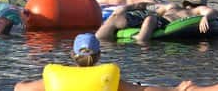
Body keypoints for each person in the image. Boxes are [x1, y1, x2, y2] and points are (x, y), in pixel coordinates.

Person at [14, 33, 174, 91]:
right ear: (99, 55)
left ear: (72, 55)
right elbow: (144, 90)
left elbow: (20, 88)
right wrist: (177, 89)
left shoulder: (55, 77)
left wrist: (25, 82)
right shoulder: (108, 79)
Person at [98, 0, 218, 44]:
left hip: (160, 22)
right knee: (117, 17)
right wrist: (125, 8)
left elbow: (212, 12)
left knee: (150, 19)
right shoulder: (172, 6)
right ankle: (102, 41)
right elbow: (146, 5)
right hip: (152, 18)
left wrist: (205, 18)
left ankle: (140, 41)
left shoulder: (198, 11)